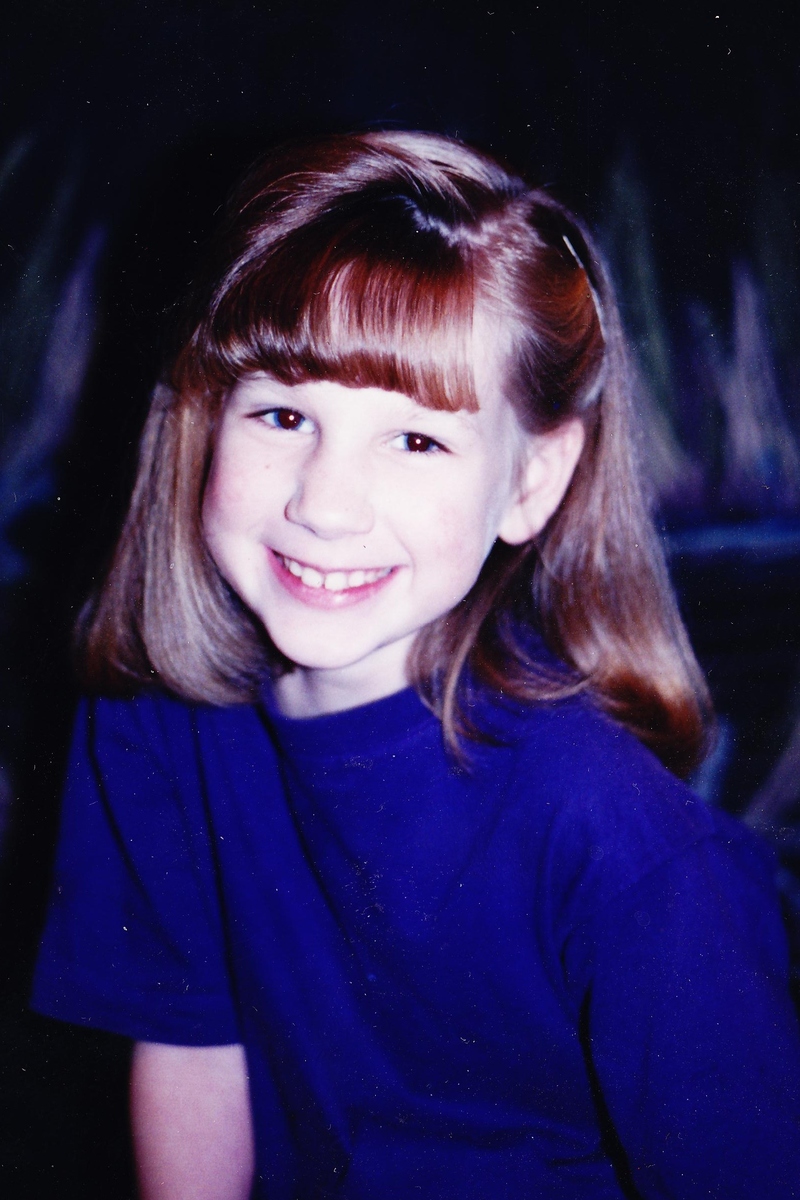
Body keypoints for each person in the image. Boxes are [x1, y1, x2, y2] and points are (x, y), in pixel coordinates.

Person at [32, 131, 800, 1200]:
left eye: (416, 441)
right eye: (283, 414)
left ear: (532, 479)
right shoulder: (156, 713)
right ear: (205, 421)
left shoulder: (621, 846)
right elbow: (190, 1047)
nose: (323, 504)